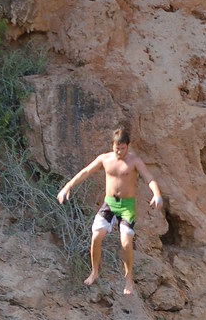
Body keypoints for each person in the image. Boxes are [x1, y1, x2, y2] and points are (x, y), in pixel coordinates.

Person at [57, 126, 163, 295]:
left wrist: (156, 194)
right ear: (112, 145)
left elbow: (149, 178)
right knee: (96, 236)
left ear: (127, 146)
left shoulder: (134, 161)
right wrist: (67, 187)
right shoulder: (105, 159)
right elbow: (85, 172)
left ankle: (128, 278)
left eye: (122, 148)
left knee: (126, 243)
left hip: (126, 207)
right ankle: (94, 272)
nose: (119, 151)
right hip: (109, 204)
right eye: (116, 148)